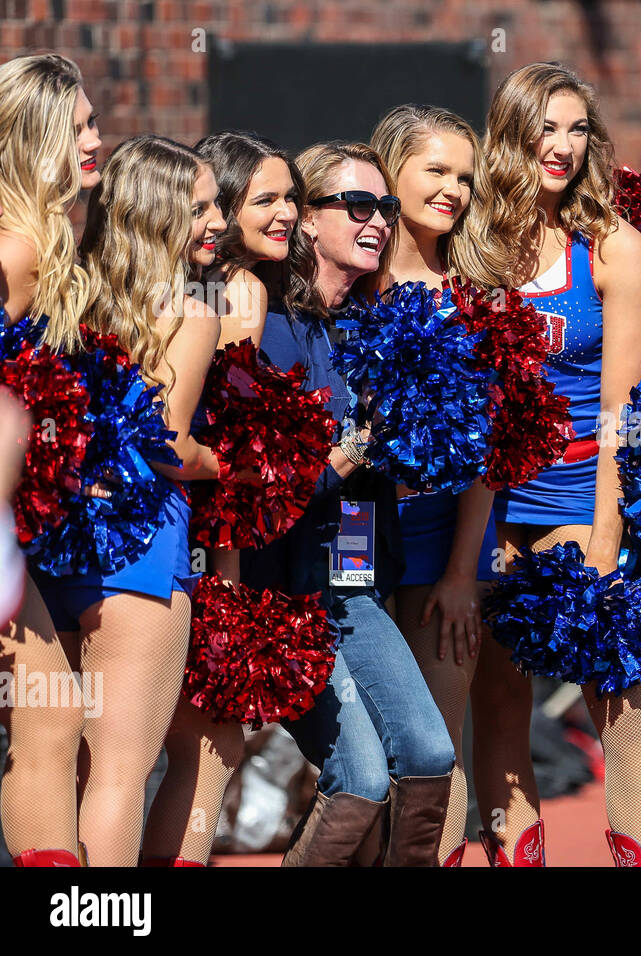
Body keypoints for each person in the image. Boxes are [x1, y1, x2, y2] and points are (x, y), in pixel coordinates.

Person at [459, 62, 641, 866]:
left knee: (618, 698)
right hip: (485, 506)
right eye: (546, 127)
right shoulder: (472, 246)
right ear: (511, 132)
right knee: (500, 705)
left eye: (578, 128)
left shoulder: (612, 246)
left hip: (580, 497)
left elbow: (628, 411)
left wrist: (607, 535)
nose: (563, 145)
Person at [245, 141, 457, 866]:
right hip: (281, 589)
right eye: (358, 206)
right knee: (361, 777)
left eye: (386, 209)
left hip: (354, 580)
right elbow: (266, 486)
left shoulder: (371, 324)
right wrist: (360, 441)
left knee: (429, 754)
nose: (378, 222)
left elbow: (380, 467)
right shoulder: (266, 324)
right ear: (308, 220)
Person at [49, 134, 226, 866]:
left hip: (52, 546)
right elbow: (169, 444)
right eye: (201, 208)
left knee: (49, 762)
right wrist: (234, 468)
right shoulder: (190, 310)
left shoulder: (65, 288)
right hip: (141, 549)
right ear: (159, 215)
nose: (218, 223)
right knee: (120, 774)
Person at [141, 129, 313, 865]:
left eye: (291, 198)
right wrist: (232, 585)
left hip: (152, 537)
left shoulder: (170, 282)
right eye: (264, 198)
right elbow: (233, 445)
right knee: (210, 749)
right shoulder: (236, 293)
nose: (286, 214)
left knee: (144, 753)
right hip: (200, 548)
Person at [369, 104, 498, 867]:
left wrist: (460, 574)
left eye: (464, 177)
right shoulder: (350, 276)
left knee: (437, 751)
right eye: (436, 170)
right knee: (360, 751)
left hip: (448, 538)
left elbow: (491, 446)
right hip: (354, 530)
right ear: (391, 170)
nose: (453, 190)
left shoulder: (477, 290)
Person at [0, 51, 97, 867]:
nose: (98, 139)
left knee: (52, 712)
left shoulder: (48, 236)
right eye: (82, 126)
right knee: (54, 713)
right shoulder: (18, 249)